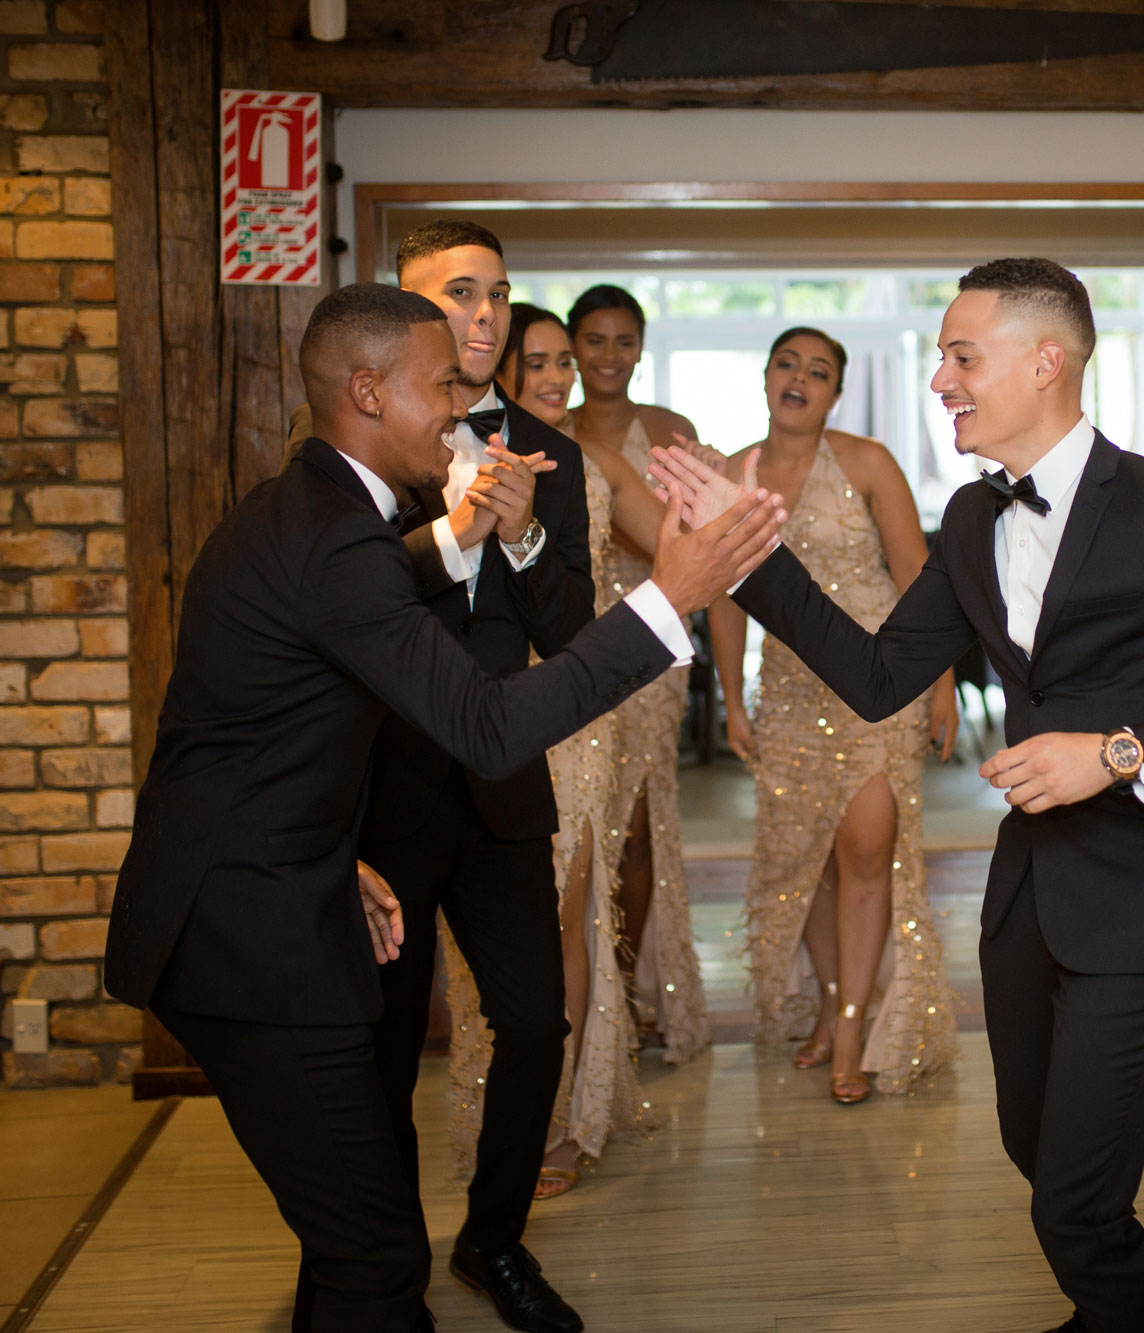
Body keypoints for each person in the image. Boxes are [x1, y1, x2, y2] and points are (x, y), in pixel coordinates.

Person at [656, 258, 1144, 1333]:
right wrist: (750, 549)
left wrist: (1112, 753)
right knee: (1037, 1150)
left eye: (961, 356)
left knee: (1072, 1200)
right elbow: (879, 675)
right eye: (940, 358)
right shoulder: (970, 517)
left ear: (1044, 360)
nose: (938, 380)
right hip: (1030, 899)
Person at [103, 283, 784, 1333]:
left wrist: (337, 858)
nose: (460, 410)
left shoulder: (317, 515)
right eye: (441, 387)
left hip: (279, 894)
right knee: (376, 1262)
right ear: (366, 391)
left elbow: (259, 737)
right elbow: (481, 721)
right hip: (245, 936)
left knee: (356, 1252)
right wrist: (668, 595)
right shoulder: (334, 538)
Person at [353, 220, 597, 1333]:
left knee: (537, 1023)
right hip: (385, 790)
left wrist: (528, 535)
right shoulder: (361, 452)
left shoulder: (553, 451)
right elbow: (343, 622)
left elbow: (568, 627)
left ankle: (493, 1240)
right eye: (458, 293)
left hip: (501, 783)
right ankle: (382, 1255)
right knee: (384, 1041)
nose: (485, 314)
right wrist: (453, 528)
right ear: (407, 311)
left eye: (497, 293)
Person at [439, 305, 708, 1203]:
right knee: (500, 925)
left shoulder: (589, 463)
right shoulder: (451, 459)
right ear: (500, 370)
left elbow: (678, 534)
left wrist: (724, 510)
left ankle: (564, 1115)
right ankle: (500, 1104)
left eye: (565, 361)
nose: (558, 377)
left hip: (577, 712)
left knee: (572, 910)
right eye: (540, 362)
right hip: (484, 710)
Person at [708, 326, 960, 1103]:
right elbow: (720, 590)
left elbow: (921, 572)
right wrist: (731, 697)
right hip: (788, 691)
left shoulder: (868, 463)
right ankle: (826, 1002)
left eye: (819, 371)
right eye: (788, 363)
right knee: (804, 862)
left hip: (878, 681)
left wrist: (941, 681)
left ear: (835, 394)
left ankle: (854, 1023)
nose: (800, 378)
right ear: (765, 374)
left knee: (864, 846)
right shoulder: (731, 474)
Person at [564, 284, 707, 1056]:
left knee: (639, 821)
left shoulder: (669, 431)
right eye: (594, 340)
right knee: (583, 820)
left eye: (623, 341)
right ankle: (590, 992)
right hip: (575, 636)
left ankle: (620, 983)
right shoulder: (555, 424)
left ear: (641, 350)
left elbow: (695, 532)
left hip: (651, 637)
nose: (607, 356)